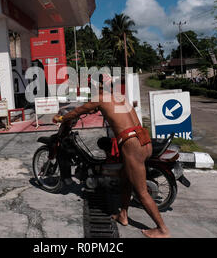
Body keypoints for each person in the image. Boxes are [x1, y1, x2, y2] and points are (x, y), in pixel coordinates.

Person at [52, 76, 170, 238]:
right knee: (125, 179)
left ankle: (162, 229)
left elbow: (77, 111)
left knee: (141, 192)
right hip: (144, 139)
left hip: (131, 145)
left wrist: (60, 118)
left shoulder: (100, 99)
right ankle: (123, 215)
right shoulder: (119, 97)